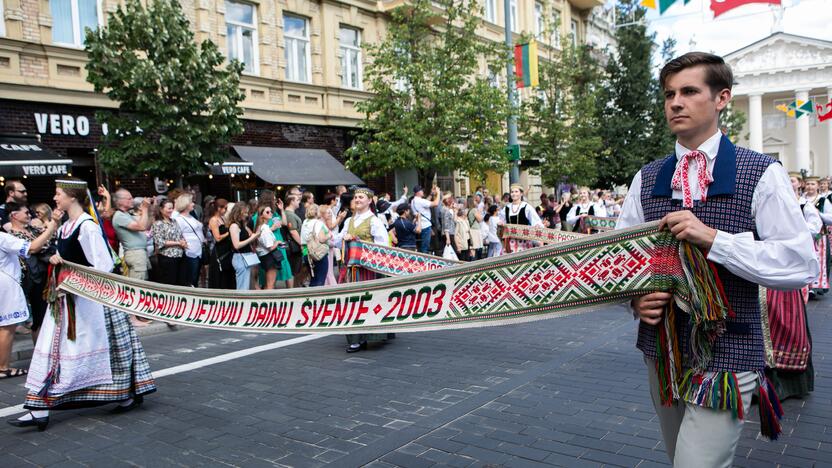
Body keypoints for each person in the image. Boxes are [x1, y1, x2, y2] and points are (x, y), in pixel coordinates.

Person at [617, 52, 818, 467]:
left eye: (689, 91)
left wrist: (715, 240)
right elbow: (623, 259)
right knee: (680, 459)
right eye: (669, 93)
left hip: (730, 347)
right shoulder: (648, 176)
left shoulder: (760, 172)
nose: (676, 102)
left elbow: (800, 263)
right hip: (663, 350)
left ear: (722, 97)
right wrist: (635, 299)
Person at [10, 179, 156, 431]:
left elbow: (102, 266)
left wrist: (66, 265)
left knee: (104, 350)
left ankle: (123, 392)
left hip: (88, 302)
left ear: (72, 197)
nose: (55, 198)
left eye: (58, 194)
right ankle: (39, 406)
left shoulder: (86, 227)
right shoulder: (67, 226)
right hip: (69, 300)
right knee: (56, 350)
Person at [0, 204, 58, 380]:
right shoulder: (2, 237)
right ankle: (3, 367)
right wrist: (52, 226)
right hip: (6, 283)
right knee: (7, 326)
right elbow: (32, 248)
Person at [333, 187, 391, 352]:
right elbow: (338, 240)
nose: (357, 200)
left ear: (369, 201)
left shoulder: (374, 221)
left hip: (367, 270)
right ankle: (355, 338)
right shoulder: (350, 221)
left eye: (361, 197)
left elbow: (382, 245)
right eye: (356, 197)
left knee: (366, 302)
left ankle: (365, 336)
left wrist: (359, 242)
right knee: (352, 303)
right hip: (350, 270)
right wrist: (330, 237)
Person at [5, 202, 54, 345]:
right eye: (26, 213)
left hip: (46, 276)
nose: (30, 215)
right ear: (14, 215)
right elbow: (33, 248)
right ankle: (39, 356)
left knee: (47, 317)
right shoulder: (12, 236)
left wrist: (49, 226)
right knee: (39, 318)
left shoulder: (33, 229)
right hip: (32, 280)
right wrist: (48, 230)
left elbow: (49, 242)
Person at [803, 176, 831, 298]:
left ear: (818, 186)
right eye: (808, 184)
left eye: (813, 184)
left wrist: (818, 213)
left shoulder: (823, 201)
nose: (810, 186)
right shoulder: (801, 200)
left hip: (819, 237)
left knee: (819, 260)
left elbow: (831, 218)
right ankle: (806, 285)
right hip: (805, 236)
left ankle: (815, 286)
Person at [151, 199, 188, 287]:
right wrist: (177, 243)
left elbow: (180, 235)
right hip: (167, 257)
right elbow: (159, 241)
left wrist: (183, 242)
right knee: (170, 282)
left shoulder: (174, 221)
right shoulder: (158, 224)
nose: (171, 210)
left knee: (181, 282)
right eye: (169, 208)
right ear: (161, 209)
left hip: (180, 255)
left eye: (172, 208)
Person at [227, 202, 260, 290]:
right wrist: (252, 238)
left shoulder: (242, 224)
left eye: (247, 212)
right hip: (240, 257)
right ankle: (241, 303)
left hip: (245, 256)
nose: (246, 215)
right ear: (238, 212)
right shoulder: (234, 226)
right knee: (243, 286)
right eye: (244, 212)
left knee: (246, 284)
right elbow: (236, 245)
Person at [500, 184, 543, 253]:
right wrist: (501, 224)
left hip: (524, 241)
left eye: (516, 192)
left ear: (521, 193)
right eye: (512, 192)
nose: (514, 194)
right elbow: (502, 221)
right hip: (510, 242)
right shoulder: (506, 208)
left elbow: (536, 222)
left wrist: (537, 228)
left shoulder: (526, 207)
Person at [207, 199, 235, 289]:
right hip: (220, 250)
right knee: (220, 275)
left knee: (228, 274)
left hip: (227, 249)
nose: (226, 210)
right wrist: (229, 233)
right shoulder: (213, 220)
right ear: (219, 208)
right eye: (225, 208)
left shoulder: (222, 218)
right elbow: (217, 238)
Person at [301, 204, 331, 287]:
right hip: (318, 254)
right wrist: (329, 235)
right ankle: (318, 298)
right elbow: (321, 239)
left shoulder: (305, 222)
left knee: (313, 279)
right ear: (317, 212)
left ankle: (310, 298)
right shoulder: (318, 223)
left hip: (306, 253)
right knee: (320, 280)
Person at [254, 205, 281, 290]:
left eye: (271, 211)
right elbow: (270, 247)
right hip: (269, 257)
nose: (271, 213)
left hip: (266, 257)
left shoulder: (262, 227)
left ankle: (265, 301)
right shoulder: (264, 228)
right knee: (270, 284)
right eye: (267, 212)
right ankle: (268, 302)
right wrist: (277, 242)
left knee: (269, 284)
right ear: (261, 215)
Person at [323, 193, 346, 286]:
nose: (337, 202)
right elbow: (330, 226)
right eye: (336, 200)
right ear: (332, 200)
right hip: (330, 239)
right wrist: (339, 218)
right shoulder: (328, 210)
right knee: (330, 264)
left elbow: (335, 225)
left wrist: (339, 219)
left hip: (333, 237)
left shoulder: (331, 210)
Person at [283, 195, 305, 287]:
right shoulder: (289, 214)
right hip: (294, 247)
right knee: (294, 270)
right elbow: (293, 232)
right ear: (291, 201)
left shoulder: (289, 213)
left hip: (294, 246)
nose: (299, 202)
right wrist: (302, 243)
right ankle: (294, 290)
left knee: (296, 269)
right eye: (297, 200)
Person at [411, 185, 440, 254]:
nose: (423, 191)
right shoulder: (420, 201)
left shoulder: (413, 201)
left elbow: (425, 202)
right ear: (418, 192)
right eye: (421, 190)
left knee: (423, 245)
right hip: (425, 226)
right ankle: (425, 261)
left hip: (419, 225)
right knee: (425, 247)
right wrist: (438, 193)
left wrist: (431, 194)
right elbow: (435, 203)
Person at [440, 192, 458, 258]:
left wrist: (455, 211)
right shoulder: (445, 210)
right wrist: (448, 238)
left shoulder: (449, 210)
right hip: (448, 234)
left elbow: (455, 221)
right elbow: (446, 224)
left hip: (451, 233)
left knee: (452, 253)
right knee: (451, 253)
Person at [466, 196, 484, 261]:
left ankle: (472, 260)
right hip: (475, 230)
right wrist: (480, 212)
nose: (476, 202)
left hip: (471, 229)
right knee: (476, 248)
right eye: (475, 200)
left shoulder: (468, 210)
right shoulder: (474, 210)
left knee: (472, 247)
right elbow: (480, 219)